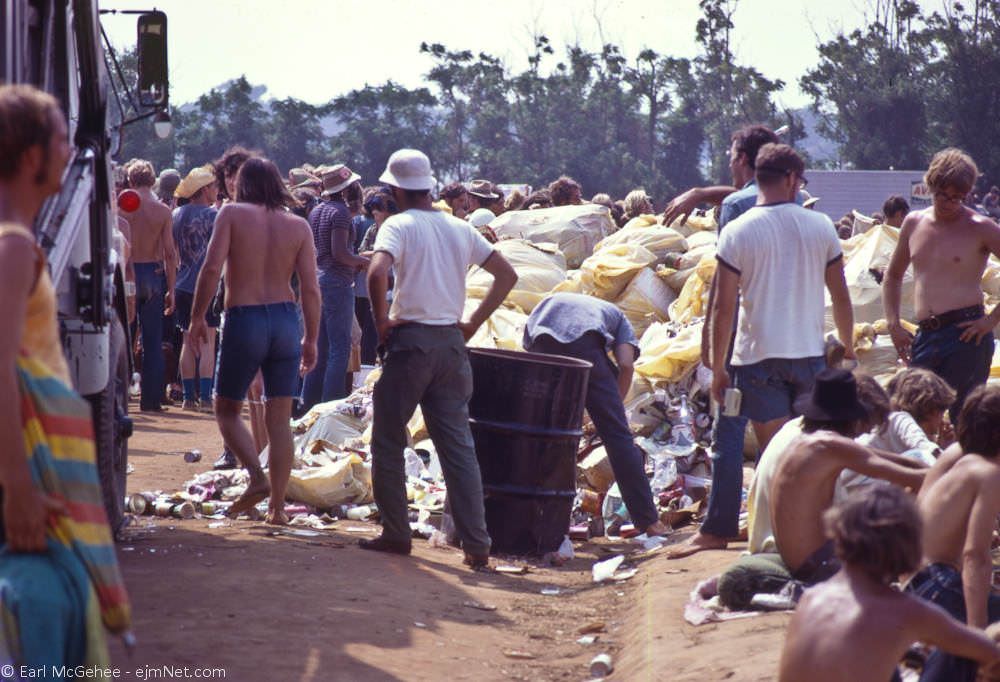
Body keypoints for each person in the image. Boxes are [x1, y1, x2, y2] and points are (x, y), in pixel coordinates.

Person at [668, 142, 854, 559]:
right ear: (791, 180)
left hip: (755, 360)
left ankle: (769, 535)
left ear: (758, 176)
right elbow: (840, 296)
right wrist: (847, 349)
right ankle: (809, 536)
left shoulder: (738, 230)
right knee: (810, 450)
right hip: (808, 357)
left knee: (774, 454)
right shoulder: (821, 226)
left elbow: (723, 307)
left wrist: (718, 367)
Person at [0, 83, 132, 669]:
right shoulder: (13, 249)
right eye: (61, 139)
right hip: (23, 472)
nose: (72, 151)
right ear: (32, 155)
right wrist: (18, 489)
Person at [364, 148, 517, 567]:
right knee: (458, 448)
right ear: (429, 186)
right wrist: (470, 324)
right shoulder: (459, 227)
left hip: (410, 344)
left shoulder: (398, 225)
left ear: (395, 190)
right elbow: (507, 275)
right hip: (451, 346)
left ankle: (396, 533)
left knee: (389, 440)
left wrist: (381, 322)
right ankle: (477, 545)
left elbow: (376, 273)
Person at [188, 157, 320, 525]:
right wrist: (311, 338)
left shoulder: (231, 214)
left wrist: (197, 317)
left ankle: (257, 477)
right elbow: (310, 288)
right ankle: (277, 509)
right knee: (280, 420)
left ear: (242, 185)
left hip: (245, 319)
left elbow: (211, 269)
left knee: (227, 410)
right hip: (286, 320)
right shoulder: (298, 225)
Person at [779, 487, 1000, 682]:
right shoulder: (903, 609)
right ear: (908, 546)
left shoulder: (811, 598)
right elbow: (988, 653)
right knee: (959, 651)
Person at [523, 292, 670, 537]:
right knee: (618, 439)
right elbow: (626, 365)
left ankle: (537, 522)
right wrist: (614, 409)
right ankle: (649, 522)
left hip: (541, 343)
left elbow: (530, 347)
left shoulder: (554, 300)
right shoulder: (619, 317)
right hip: (585, 347)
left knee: (547, 437)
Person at [769, 369, 925, 583]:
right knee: (897, 505)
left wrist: (938, 465)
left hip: (806, 561)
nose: (865, 431)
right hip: (819, 566)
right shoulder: (831, 446)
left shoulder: (807, 442)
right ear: (852, 418)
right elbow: (915, 479)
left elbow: (899, 461)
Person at [884, 148, 1000, 423]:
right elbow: (892, 276)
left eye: (956, 197)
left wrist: (991, 320)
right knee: (910, 415)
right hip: (925, 334)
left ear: (966, 195)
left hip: (966, 334)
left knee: (965, 420)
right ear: (930, 187)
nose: (947, 202)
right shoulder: (914, 223)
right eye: (941, 194)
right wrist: (893, 324)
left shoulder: (980, 227)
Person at [907, 385, 1000, 681]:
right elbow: (975, 557)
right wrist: (978, 635)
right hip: (939, 584)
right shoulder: (989, 473)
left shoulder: (957, 457)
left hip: (914, 584)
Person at [300, 164, 369, 411]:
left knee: (320, 348)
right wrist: (366, 262)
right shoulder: (340, 213)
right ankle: (330, 408)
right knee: (340, 350)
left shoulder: (317, 211)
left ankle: (308, 406)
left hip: (319, 280)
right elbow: (340, 253)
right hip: (338, 283)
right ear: (347, 189)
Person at [124, 159, 177, 412]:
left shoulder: (122, 209)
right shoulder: (163, 211)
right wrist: (172, 289)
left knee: (123, 338)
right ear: (153, 181)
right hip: (153, 274)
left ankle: (120, 396)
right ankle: (151, 400)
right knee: (153, 341)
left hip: (127, 273)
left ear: (130, 181)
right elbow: (170, 254)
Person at [172, 165, 219, 412]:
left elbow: (172, 252)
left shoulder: (176, 214)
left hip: (182, 284)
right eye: (213, 186)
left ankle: (188, 398)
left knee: (186, 340)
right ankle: (206, 397)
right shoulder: (214, 216)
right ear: (204, 189)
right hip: (207, 287)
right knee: (207, 342)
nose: (216, 190)